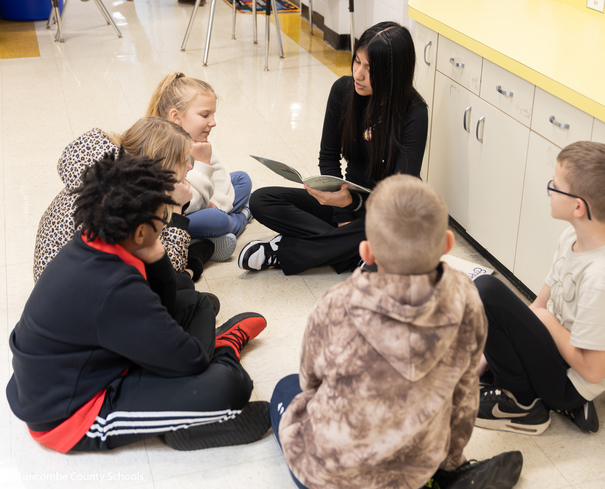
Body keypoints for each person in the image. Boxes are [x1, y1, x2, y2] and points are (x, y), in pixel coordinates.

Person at [269, 175, 523, 489]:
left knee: (286, 390)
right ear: (446, 243)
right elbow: (464, 395)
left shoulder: (337, 303)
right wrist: (451, 463)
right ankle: (439, 479)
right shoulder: (467, 299)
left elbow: (311, 383)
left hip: (333, 473)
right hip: (413, 469)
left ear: (366, 252)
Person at [7, 151, 270, 453]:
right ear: (142, 230)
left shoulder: (100, 237)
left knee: (197, 302)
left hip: (90, 364)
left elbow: (162, 303)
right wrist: (201, 354)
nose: (167, 222)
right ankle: (222, 350)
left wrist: (157, 257)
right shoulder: (113, 286)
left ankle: (183, 406)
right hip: (72, 414)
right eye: (164, 218)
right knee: (231, 386)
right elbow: (191, 361)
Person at [474, 141, 605, 435]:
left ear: (578, 206)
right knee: (486, 318)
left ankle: (522, 404)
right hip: (558, 354)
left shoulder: (604, 279)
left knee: (486, 290)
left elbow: (593, 371)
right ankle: (513, 384)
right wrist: (489, 355)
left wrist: (546, 321)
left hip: (573, 381)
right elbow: (538, 306)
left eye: (556, 185)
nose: (550, 189)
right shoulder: (570, 238)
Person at [239, 21, 428, 275]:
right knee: (262, 199)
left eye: (370, 68)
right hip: (345, 199)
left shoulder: (414, 112)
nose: (358, 74)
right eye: (357, 61)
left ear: (393, 74)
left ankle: (283, 251)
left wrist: (354, 206)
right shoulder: (343, 90)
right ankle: (356, 253)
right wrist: (342, 212)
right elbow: (328, 157)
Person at [33, 118, 214, 290]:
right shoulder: (127, 200)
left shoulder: (109, 171)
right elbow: (168, 266)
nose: (190, 167)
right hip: (79, 299)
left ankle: (194, 260)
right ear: (165, 165)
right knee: (181, 285)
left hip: (52, 286)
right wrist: (176, 206)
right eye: (184, 162)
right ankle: (192, 268)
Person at [146, 72, 253, 262]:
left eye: (213, 114)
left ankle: (213, 231)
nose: (213, 122)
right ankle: (241, 217)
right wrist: (202, 164)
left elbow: (218, 181)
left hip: (198, 201)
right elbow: (182, 205)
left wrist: (213, 202)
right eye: (205, 115)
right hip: (169, 218)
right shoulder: (162, 149)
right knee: (215, 219)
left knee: (241, 179)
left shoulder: (194, 141)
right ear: (176, 116)